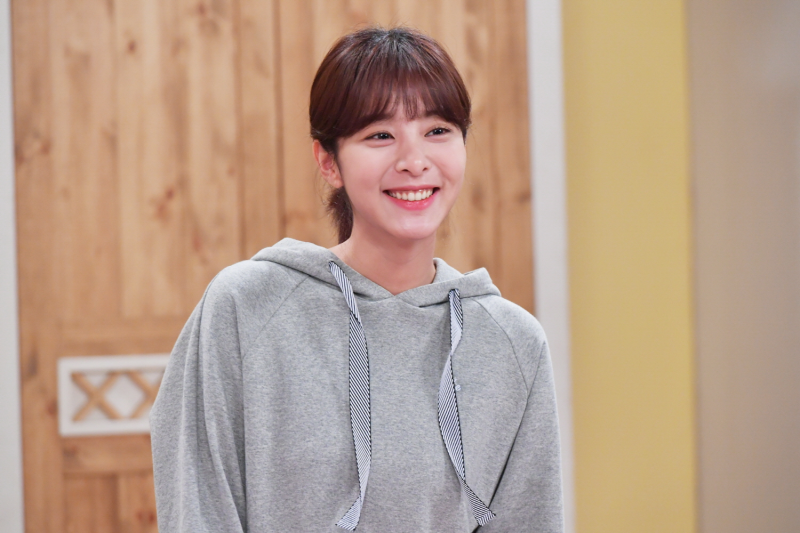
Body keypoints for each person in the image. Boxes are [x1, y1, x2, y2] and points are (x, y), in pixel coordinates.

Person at [150, 26, 563, 533]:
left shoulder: (513, 344)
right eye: (380, 135)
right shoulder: (245, 308)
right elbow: (197, 508)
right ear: (329, 162)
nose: (414, 162)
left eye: (437, 130)